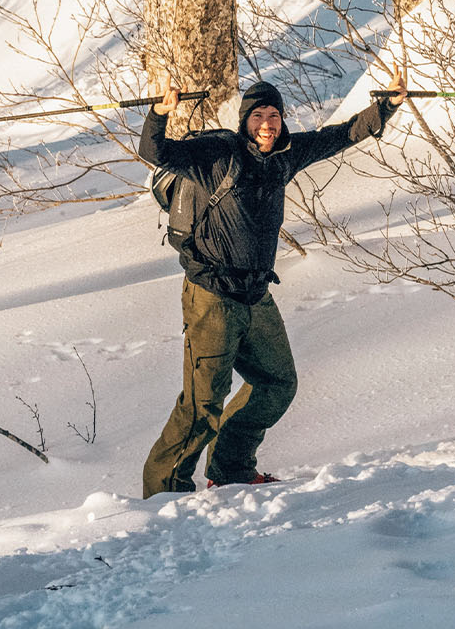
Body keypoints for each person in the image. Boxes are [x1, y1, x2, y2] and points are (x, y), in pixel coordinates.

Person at [139, 67, 407, 497]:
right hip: (212, 296)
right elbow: (156, 152)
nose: (267, 124)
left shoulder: (286, 154)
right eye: (258, 116)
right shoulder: (217, 156)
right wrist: (159, 113)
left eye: (274, 116)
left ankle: (231, 469)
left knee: (277, 383)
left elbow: (341, 135)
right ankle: (164, 493)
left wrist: (386, 106)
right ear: (244, 121)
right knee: (203, 403)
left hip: (256, 294)